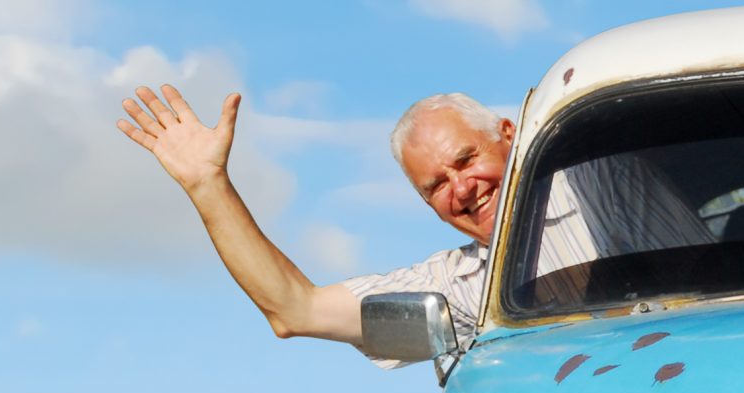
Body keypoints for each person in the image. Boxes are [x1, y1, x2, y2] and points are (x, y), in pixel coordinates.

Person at [116, 83, 706, 357]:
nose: (462, 190)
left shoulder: (604, 178)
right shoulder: (461, 289)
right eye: (435, 187)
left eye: (466, 160)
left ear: (510, 135)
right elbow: (296, 310)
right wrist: (207, 184)